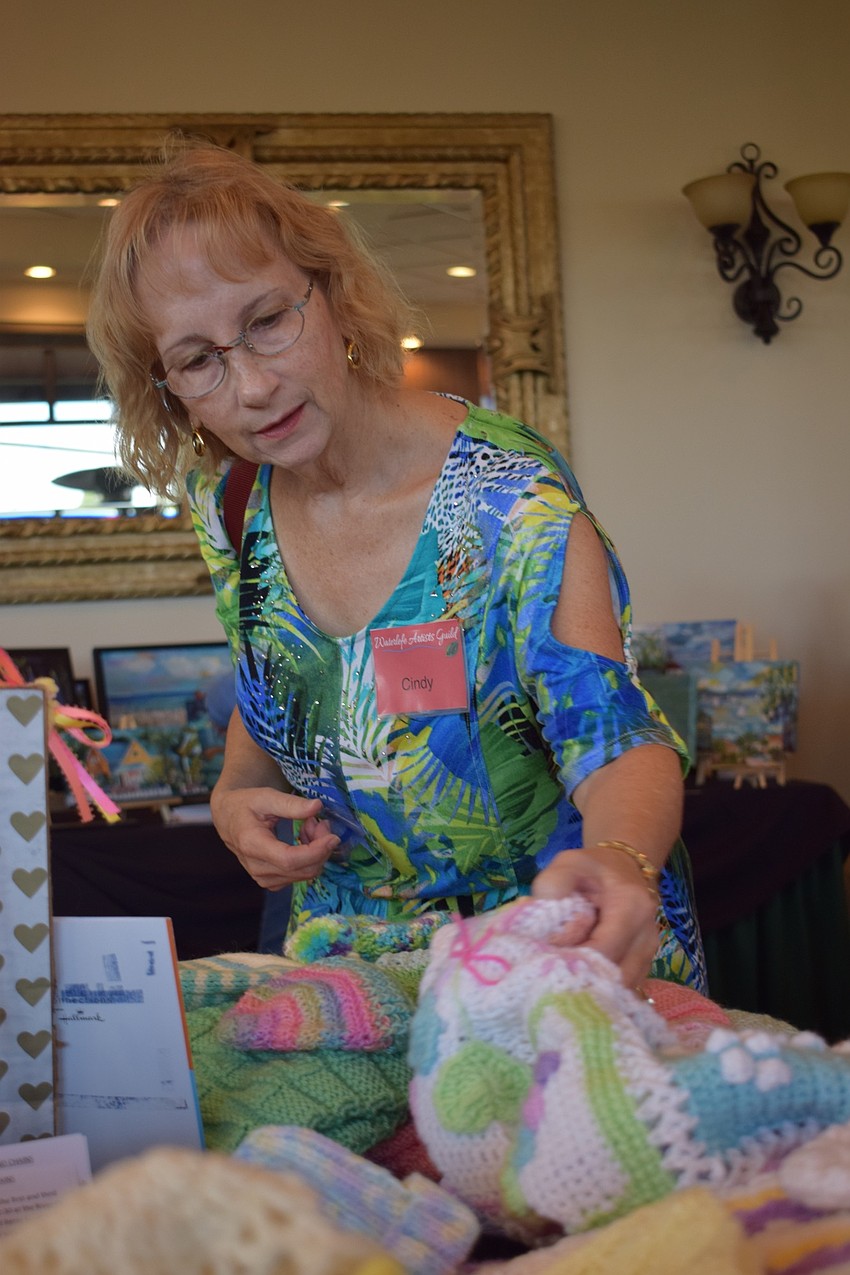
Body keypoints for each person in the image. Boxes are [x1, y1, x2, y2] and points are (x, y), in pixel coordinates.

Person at [87, 142, 705, 993]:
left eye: (267, 321)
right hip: (348, 975)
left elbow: (616, 737)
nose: (253, 386)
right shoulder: (230, 501)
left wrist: (621, 859)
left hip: (548, 954)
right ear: (168, 388)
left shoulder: (505, 495)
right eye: (199, 360)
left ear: (334, 294)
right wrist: (231, 798)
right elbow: (278, 680)